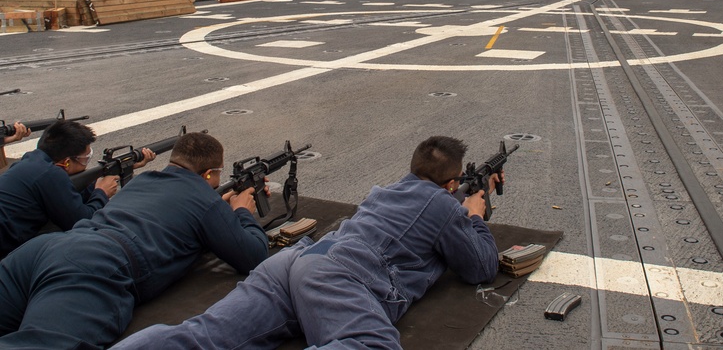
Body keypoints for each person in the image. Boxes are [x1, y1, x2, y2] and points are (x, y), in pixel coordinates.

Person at [113, 135, 501, 350]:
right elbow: (479, 267)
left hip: (296, 263)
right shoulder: (442, 204)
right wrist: (473, 216)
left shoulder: (385, 191)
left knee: (204, 336)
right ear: (451, 183)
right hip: (344, 275)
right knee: (371, 345)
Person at [0, 130, 268, 349]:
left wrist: (218, 208)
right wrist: (242, 212)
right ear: (210, 173)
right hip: (95, 266)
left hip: (47, 249)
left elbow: (173, 212)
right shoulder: (205, 201)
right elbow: (252, 255)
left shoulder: (145, 180)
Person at [0, 120, 138, 258]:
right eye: (85, 159)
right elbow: (82, 222)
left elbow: (67, 194)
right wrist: (102, 193)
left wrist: (115, 171)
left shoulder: (30, 162)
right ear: (66, 162)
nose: (86, 164)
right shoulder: (51, 174)